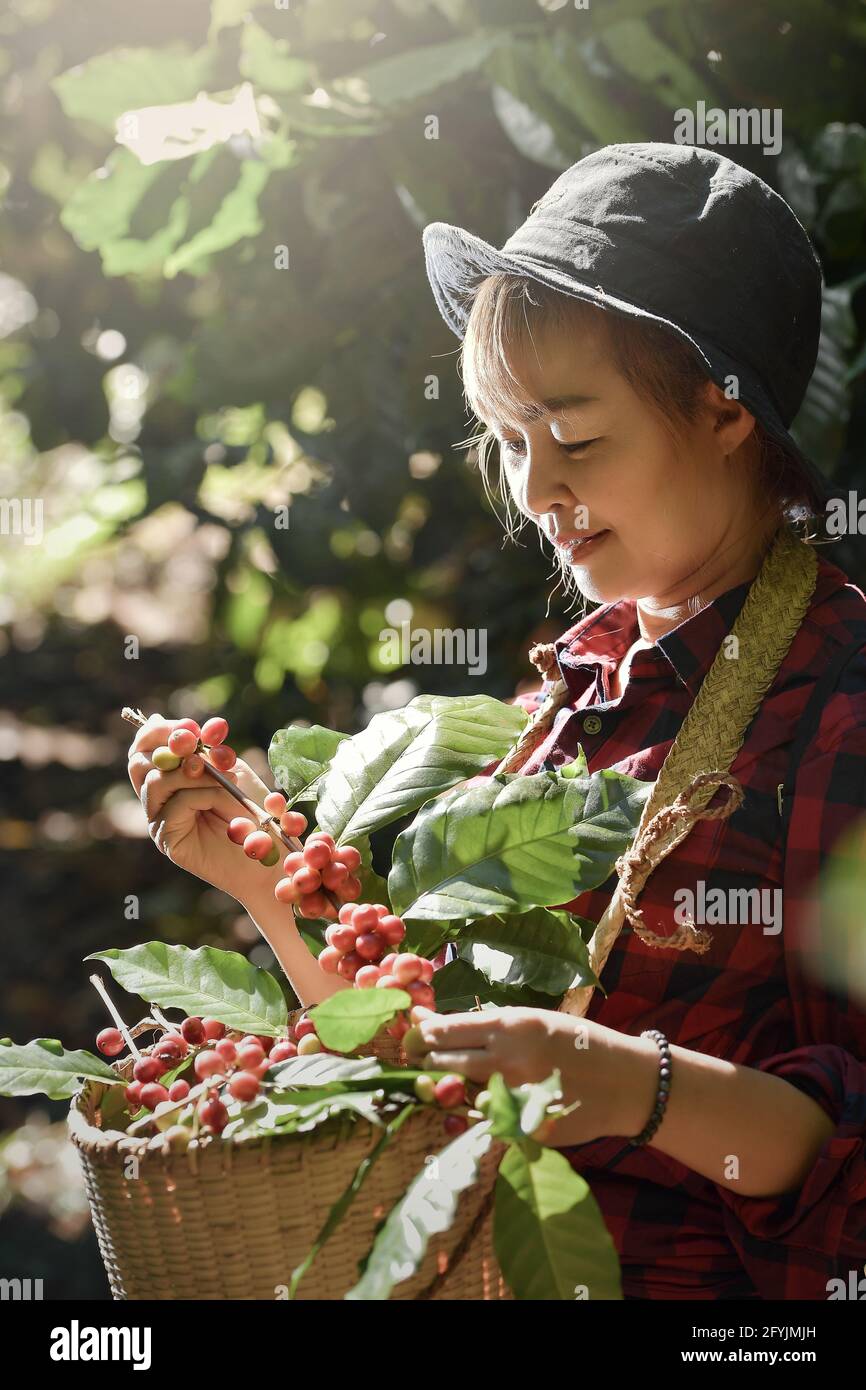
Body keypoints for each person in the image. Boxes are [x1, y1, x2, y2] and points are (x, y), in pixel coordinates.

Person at [128, 143, 866, 1300]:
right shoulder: (582, 684)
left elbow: (838, 1155)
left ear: (723, 414)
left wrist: (633, 1086)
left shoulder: (834, 711)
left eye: (573, 437)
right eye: (510, 440)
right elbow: (427, 1059)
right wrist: (270, 886)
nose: (533, 491)